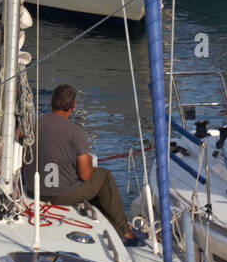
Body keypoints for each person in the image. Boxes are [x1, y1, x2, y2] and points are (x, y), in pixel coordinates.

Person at [25, 85, 141, 244]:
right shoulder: (75, 132)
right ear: (73, 107)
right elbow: (85, 175)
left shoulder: (32, 124)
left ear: (52, 102)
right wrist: (90, 166)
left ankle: (110, 220)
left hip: (34, 190)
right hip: (61, 195)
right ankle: (123, 231)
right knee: (103, 176)